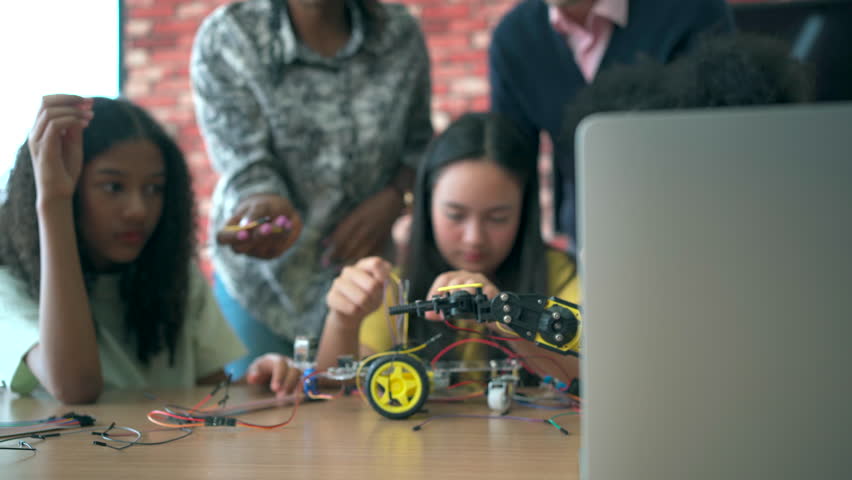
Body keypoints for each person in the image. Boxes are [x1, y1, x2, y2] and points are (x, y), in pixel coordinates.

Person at [0, 96, 300, 404]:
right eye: (113, 187)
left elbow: (214, 394)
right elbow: (76, 388)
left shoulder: (175, 275)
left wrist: (261, 380)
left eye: (154, 189)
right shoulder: (7, 288)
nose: (138, 211)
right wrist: (53, 201)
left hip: (169, 452)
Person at [191, 0, 433, 378]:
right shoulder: (230, 37)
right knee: (261, 414)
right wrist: (263, 202)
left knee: (355, 422)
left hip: (362, 280)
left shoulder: (398, 33)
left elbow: (419, 146)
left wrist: (393, 200)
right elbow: (243, 160)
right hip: (263, 284)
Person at [314, 112, 579, 384]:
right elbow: (333, 390)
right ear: (426, 207)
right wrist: (342, 322)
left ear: (524, 213)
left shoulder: (559, 276)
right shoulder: (394, 288)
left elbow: (591, 380)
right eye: (455, 215)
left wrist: (505, 315)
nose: (474, 238)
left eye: (498, 218)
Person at [489, 0, 734, 245]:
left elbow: (729, 138)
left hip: (697, 226)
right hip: (589, 237)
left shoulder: (693, 9)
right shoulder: (514, 38)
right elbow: (511, 164)